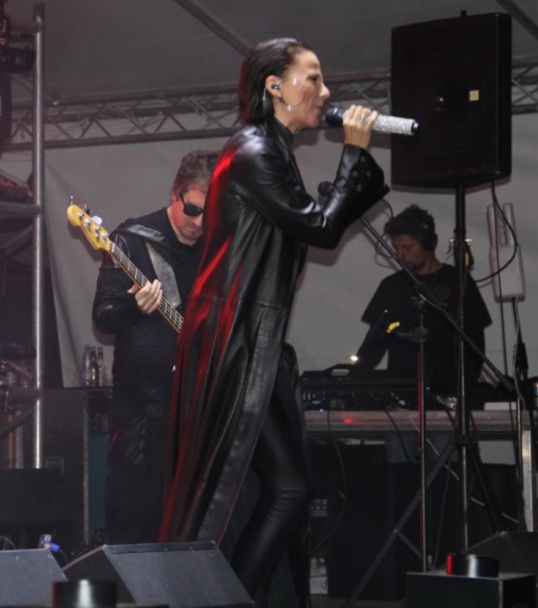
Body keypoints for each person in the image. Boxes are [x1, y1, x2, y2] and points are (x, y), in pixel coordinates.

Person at [159, 38, 387, 605]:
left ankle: (232, 595)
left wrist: (354, 168)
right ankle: (227, 597)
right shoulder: (253, 152)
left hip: (249, 340)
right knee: (284, 487)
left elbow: (315, 225)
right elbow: (322, 228)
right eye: (313, 78)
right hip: (233, 341)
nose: (325, 91)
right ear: (275, 87)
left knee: (289, 486)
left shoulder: (272, 152)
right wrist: (354, 153)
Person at [91, 149, 218, 544]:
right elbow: (103, 317)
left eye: (209, 213)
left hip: (196, 407)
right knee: (136, 516)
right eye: (192, 210)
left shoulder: (216, 247)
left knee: (192, 524)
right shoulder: (131, 240)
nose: (199, 222)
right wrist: (134, 307)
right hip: (142, 412)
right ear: (174, 194)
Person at [354, 204, 492, 399]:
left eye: (407, 247)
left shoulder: (459, 282)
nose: (401, 255)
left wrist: (461, 392)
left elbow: (475, 346)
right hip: (401, 396)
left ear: (428, 243)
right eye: (396, 248)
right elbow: (372, 348)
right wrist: (354, 382)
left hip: (449, 395)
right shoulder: (391, 286)